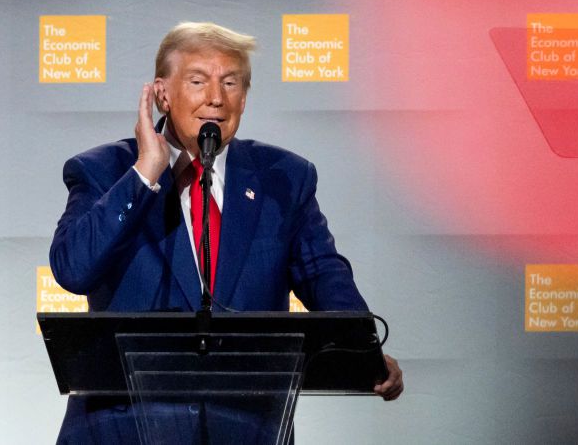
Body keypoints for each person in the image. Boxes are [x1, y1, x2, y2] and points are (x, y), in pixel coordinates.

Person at [49, 22, 402, 443]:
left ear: (245, 96)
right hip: (123, 429)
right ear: (162, 93)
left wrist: (364, 352)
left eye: (230, 82)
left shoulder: (283, 178)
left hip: (245, 428)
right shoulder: (103, 170)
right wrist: (145, 171)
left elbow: (324, 275)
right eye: (198, 81)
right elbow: (73, 269)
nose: (216, 97)